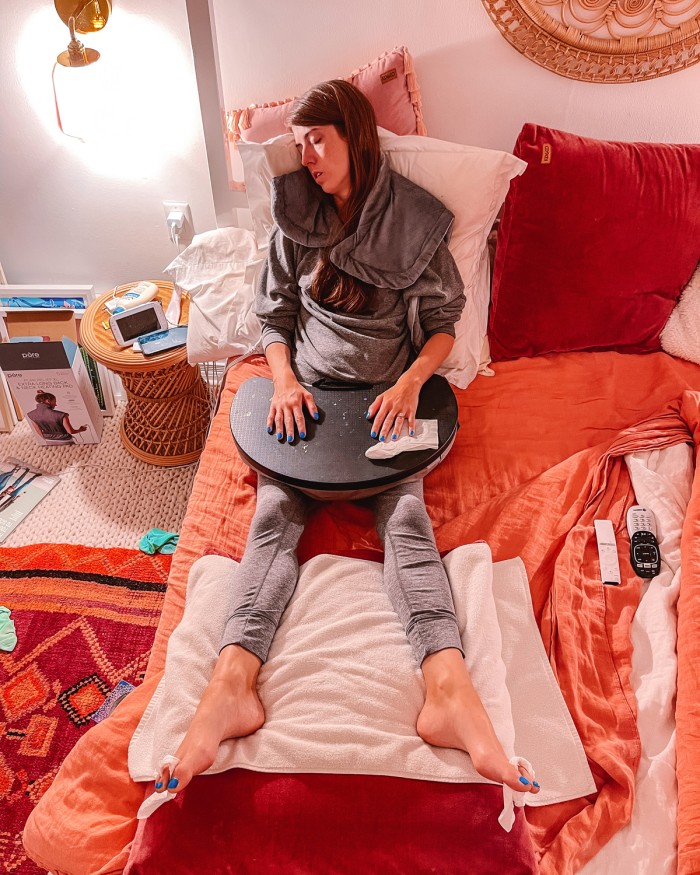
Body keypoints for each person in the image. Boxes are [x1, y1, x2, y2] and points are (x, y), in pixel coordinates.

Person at [155, 80, 539, 800]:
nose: (308, 155)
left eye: (320, 139)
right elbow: (273, 319)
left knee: (408, 523)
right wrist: (287, 383)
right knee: (271, 520)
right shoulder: (294, 216)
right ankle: (231, 683)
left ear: (355, 136)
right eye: (300, 143)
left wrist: (411, 383)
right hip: (307, 407)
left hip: (384, 410)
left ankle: (449, 689)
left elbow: (445, 324)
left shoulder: (415, 223)